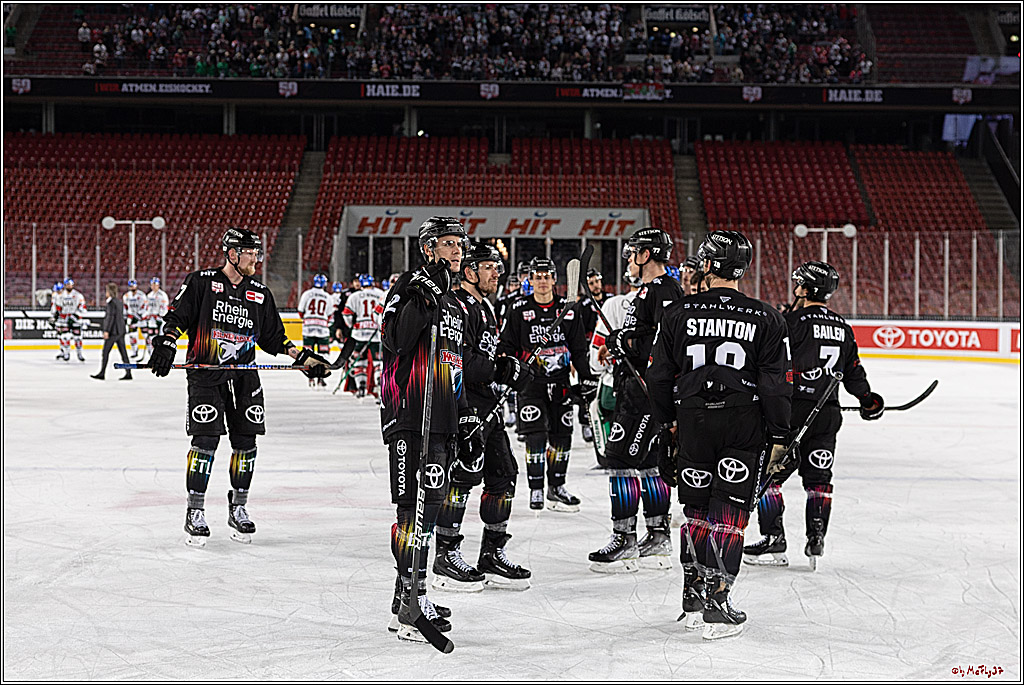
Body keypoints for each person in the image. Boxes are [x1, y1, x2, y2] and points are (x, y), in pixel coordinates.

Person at [647, 230, 792, 640]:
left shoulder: (676, 313)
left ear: (708, 265)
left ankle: (691, 594)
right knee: (729, 514)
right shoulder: (766, 316)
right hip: (742, 422)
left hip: (692, 420)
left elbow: (658, 376)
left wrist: (667, 424)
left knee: (695, 511)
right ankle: (718, 599)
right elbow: (775, 384)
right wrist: (780, 432)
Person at [147, 228, 330, 548]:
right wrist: (165, 344)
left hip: (246, 379)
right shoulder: (201, 282)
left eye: (257, 253)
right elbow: (176, 318)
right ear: (232, 254)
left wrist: (303, 358)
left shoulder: (260, 293)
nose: (256, 259)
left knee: (246, 443)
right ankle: (195, 511)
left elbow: (275, 338)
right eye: (250, 253)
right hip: (206, 376)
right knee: (205, 441)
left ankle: (239, 506)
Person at [744, 261, 883, 569]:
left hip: (790, 414)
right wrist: (867, 399)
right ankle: (816, 540)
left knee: (770, 477)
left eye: (798, 283)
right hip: (826, 414)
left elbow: (772, 365)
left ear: (805, 288)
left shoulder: (789, 321)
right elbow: (853, 373)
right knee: (819, 479)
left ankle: (773, 539)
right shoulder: (841, 327)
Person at [379, 216, 477, 642]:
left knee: (430, 509)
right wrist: (421, 300)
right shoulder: (410, 287)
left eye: (460, 244)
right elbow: (394, 341)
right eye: (448, 243)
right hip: (409, 415)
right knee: (409, 511)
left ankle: (413, 594)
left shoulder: (455, 305)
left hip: (442, 420)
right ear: (429, 248)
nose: (457, 251)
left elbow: (455, 364)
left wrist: (465, 415)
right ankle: (408, 597)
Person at [432, 242, 533, 592]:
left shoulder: (485, 307)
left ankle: (491, 552)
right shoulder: (455, 305)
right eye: (489, 266)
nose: (497, 273)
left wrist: (512, 366)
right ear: (470, 270)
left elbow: (489, 355)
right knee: (462, 477)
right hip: (464, 406)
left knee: (503, 475)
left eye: (497, 267)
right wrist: (502, 369)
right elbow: (458, 360)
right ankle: (445, 553)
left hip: (489, 405)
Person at [589, 228, 683, 573]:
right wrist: (620, 341)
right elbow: (645, 335)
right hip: (636, 390)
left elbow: (665, 342)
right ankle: (658, 536)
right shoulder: (649, 292)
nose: (629, 260)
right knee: (647, 464)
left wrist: (626, 344)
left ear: (645, 255)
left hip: (644, 394)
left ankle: (625, 539)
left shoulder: (665, 290)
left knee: (619, 460)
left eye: (633, 254)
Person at [498, 256, 598, 513]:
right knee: (535, 437)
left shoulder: (569, 309)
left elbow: (578, 349)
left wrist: (586, 377)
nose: (542, 282)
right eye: (537, 277)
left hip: (561, 383)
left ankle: (557, 486)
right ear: (530, 280)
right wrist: (509, 371)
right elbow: (507, 347)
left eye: (547, 277)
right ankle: (536, 488)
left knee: (562, 437)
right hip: (531, 385)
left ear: (555, 280)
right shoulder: (518, 309)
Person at [341, 273, 385, 397]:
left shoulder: (354, 296)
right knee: (377, 362)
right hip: (376, 334)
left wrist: (352, 326)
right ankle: (378, 384)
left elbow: (347, 314)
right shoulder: (380, 294)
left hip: (358, 334)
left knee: (360, 361)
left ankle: (361, 385)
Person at [91, 282, 132, 381]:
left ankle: (102, 373)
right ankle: (128, 372)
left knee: (105, 352)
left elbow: (110, 318)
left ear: (109, 292)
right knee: (123, 353)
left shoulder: (111, 303)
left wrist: (106, 330)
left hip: (113, 332)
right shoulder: (119, 302)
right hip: (120, 331)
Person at [298, 273, 333, 388]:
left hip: (308, 327)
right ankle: (321, 377)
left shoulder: (307, 294)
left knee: (309, 354)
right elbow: (330, 315)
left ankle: (311, 376)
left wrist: (308, 320)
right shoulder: (328, 297)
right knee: (323, 354)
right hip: (322, 328)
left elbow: (300, 311)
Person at [53, 278, 87, 362]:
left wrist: (77, 314)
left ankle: (79, 353)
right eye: (67, 284)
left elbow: (83, 307)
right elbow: (56, 307)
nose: (69, 286)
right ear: (65, 285)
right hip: (63, 319)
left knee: (78, 338)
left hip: (75, 319)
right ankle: (66, 353)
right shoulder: (60, 296)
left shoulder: (78, 295)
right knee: (65, 337)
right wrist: (56, 315)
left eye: (70, 284)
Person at [143, 277, 169, 358]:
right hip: (151, 320)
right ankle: (152, 354)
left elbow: (165, 308)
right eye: (152, 285)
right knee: (151, 336)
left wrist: (160, 315)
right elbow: (146, 307)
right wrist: (146, 315)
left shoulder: (163, 295)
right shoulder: (149, 295)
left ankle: (161, 354)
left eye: (155, 284)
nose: (154, 286)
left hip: (160, 320)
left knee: (160, 336)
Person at [122, 279, 148, 360]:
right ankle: (134, 351)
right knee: (131, 336)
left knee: (146, 335)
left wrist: (141, 315)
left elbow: (145, 306)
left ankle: (150, 351)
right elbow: (125, 307)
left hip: (141, 318)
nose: (132, 287)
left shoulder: (142, 295)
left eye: (133, 285)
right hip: (132, 318)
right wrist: (126, 316)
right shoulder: (126, 296)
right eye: (130, 286)